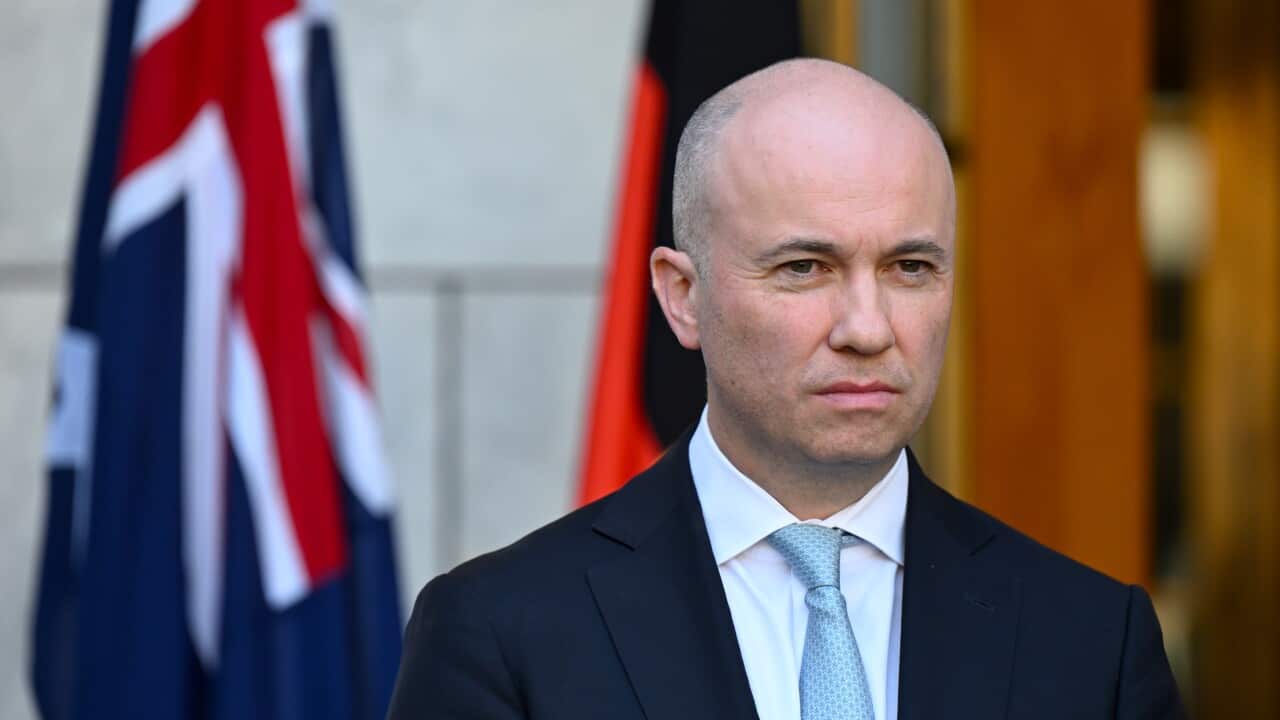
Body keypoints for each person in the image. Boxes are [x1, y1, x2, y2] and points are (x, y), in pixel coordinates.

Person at [387, 58, 1184, 720]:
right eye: (805, 268)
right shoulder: (502, 635)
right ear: (681, 295)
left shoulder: (1089, 643)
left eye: (910, 268)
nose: (867, 327)